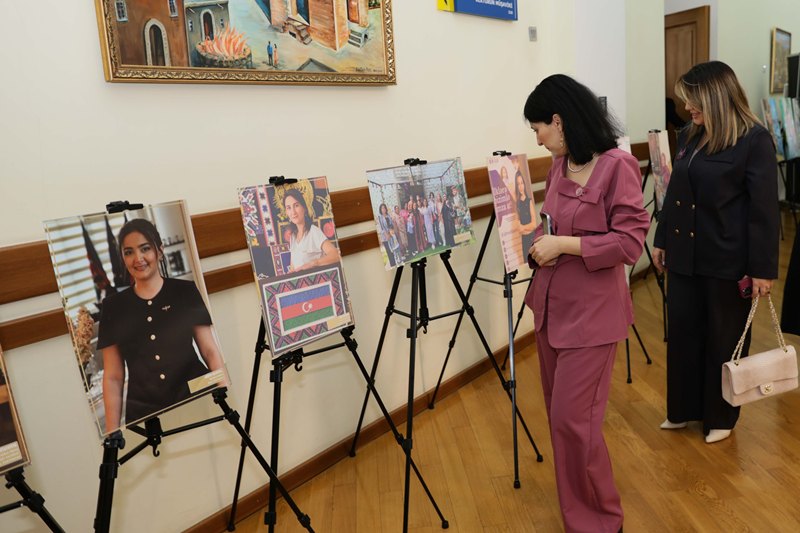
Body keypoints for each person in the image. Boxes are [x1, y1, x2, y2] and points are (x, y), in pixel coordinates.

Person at [523, 74, 650, 533]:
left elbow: (629, 244)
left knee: (575, 422)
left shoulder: (618, 166)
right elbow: (552, 224)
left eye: (538, 128)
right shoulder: (560, 165)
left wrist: (563, 245)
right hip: (551, 310)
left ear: (558, 121)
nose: (537, 138)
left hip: (592, 318)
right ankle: (580, 515)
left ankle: (601, 520)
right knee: (561, 421)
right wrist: (543, 244)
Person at [653, 61, 779, 444]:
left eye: (693, 100)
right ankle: (683, 409)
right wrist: (661, 238)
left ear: (716, 98)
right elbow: (674, 193)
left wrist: (763, 269)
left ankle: (721, 417)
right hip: (684, 257)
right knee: (684, 336)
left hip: (728, 261)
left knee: (723, 341)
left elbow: (764, 211)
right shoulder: (689, 135)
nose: (686, 107)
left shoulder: (754, 140)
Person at [98, 219, 227, 433]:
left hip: (197, 394)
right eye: (129, 252)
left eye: (145, 248)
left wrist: (224, 389)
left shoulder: (185, 291)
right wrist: (112, 433)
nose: (138, 259)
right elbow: (113, 377)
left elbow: (209, 350)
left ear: (159, 251)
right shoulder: (112, 307)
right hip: (145, 412)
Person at [284, 188, 340, 272]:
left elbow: (336, 255)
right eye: (288, 208)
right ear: (286, 212)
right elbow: (293, 269)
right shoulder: (293, 237)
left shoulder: (314, 231)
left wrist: (313, 263)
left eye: (296, 205)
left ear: (304, 208)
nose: (293, 212)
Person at [513, 162, 536, 260]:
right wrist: (524, 228)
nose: (520, 186)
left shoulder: (529, 201)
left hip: (532, 238)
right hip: (524, 240)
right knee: (526, 261)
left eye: (522, 183)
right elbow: (518, 227)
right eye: (518, 184)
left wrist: (524, 228)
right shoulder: (517, 204)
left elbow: (534, 225)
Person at [377, 203, 396, 267]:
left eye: (384, 208)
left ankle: (395, 262)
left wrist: (391, 231)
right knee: (389, 251)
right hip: (385, 237)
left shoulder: (388, 216)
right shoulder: (380, 218)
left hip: (390, 234)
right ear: (380, 209)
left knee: (393, 249)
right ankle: (392, 264)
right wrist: (386, 234)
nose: (384, 209)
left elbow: (391, 224)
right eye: (382, 208)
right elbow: (381, 228)